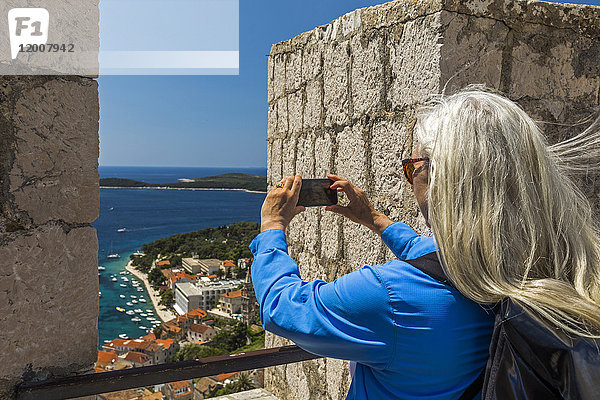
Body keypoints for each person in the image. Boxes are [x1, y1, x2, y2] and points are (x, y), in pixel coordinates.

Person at [249, 87, 600, 399]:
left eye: (413, 165)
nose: (411, 175)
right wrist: (374, 218)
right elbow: (431, 256)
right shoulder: (552, 265)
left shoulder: (388, 296)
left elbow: (283, 309)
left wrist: (272, 228)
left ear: (438, 179)